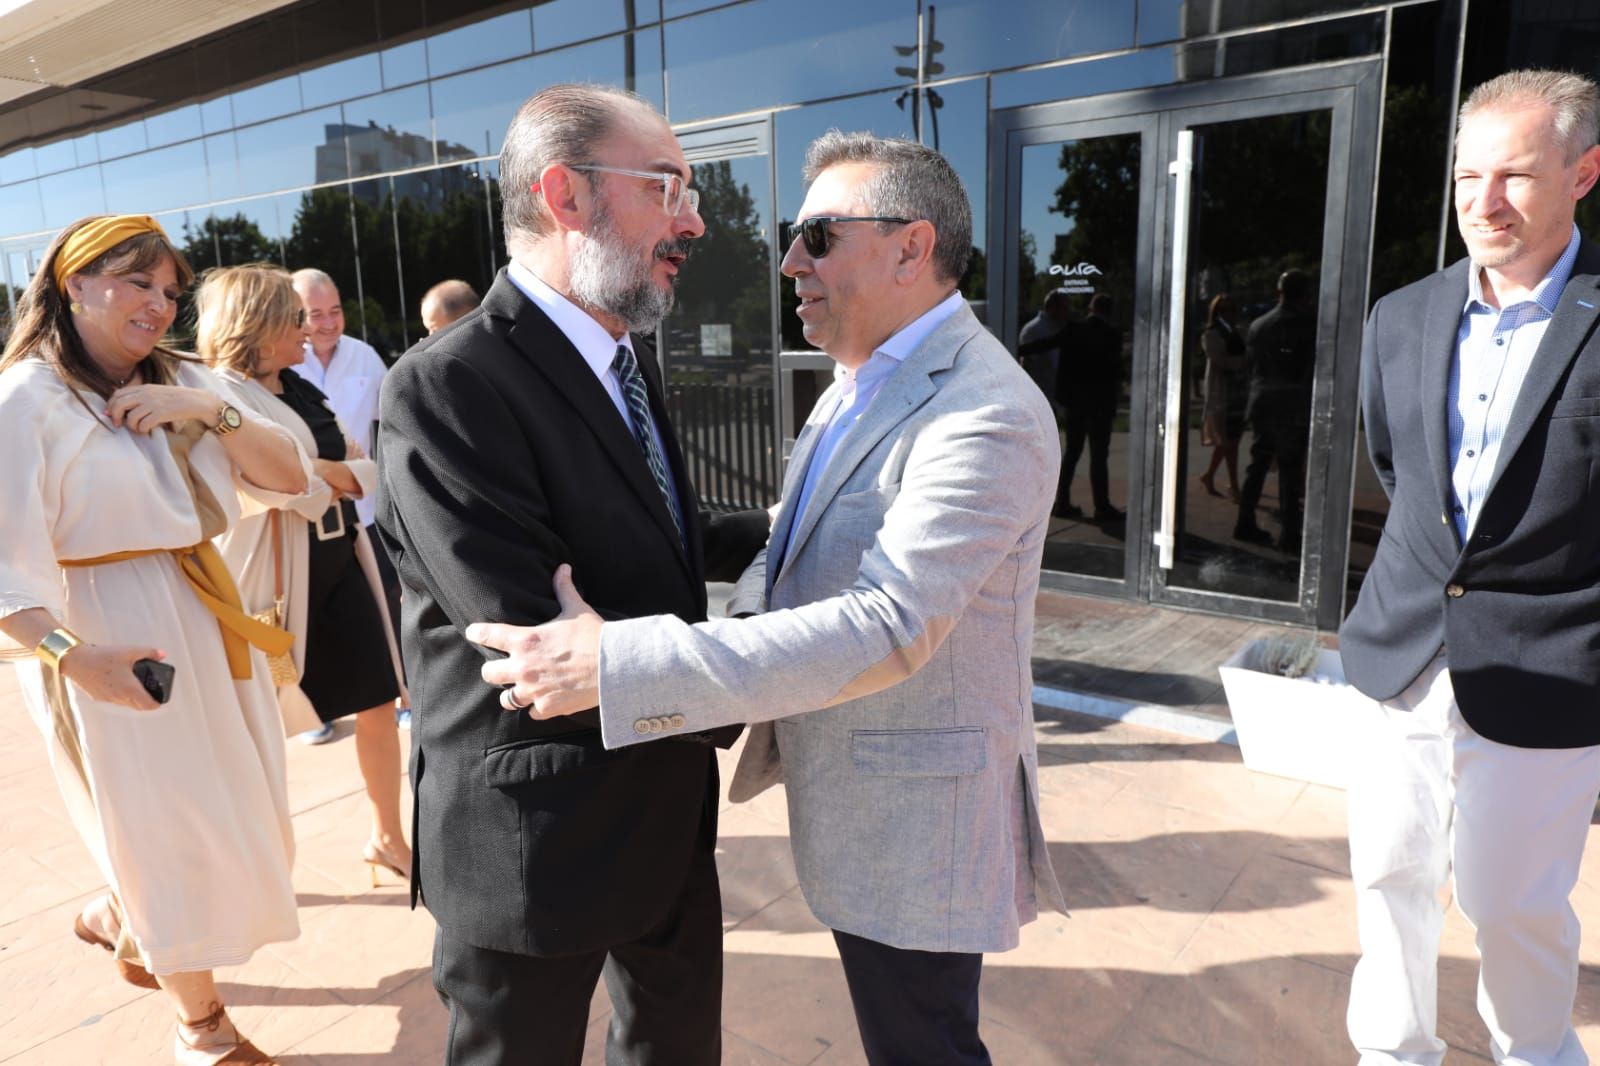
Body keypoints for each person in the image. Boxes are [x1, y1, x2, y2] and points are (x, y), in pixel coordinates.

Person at [470, 132, 1066, 1066]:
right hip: (869, 811)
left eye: (818, 236)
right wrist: (735, 626)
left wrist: (623, 664)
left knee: (926, 1048)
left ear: (912, 248)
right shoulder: (858, 383)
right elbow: (789, 543)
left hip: (922, 824)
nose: (789, 260)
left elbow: (891, 625)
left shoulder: (985, 411)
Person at [374, 84, 768, 1065]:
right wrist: (763, 674)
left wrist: (783, 528)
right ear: (565, 195)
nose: (696, 217)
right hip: (535, 840)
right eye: (668, 185)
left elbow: (649, 538)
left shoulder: (621, 359)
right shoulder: (445, 385)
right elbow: (532, 639)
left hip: (667, 814)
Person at [0, 216, 308, 1065]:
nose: (159, 304)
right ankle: (201, 1028)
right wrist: (74, 658)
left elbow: (293, 477)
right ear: (74, 285)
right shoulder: (26, 398)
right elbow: (1, 568)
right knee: (162, 832)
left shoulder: (184, 379)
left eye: (170, 290)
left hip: (204, 608)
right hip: (102, 632)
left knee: (242, 817)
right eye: (138, 283)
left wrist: (206, 410)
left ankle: (115, 915)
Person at [1339, 69, 1600, 1064]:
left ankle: (1534, 1053)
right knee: (1386, 875)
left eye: (1516, 177)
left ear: (1583, 172)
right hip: (1401, 648)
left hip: (1548, 665)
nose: (1483, 205)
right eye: (1465, 179)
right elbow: (1400, 469)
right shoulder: (1398, 316)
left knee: (1512, 905)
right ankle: (1393, 1051)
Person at [202, 264, 412, 887]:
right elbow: (275, 482)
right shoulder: (217, 394)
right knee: (259, 726)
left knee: (377, 698)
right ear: (258, 325)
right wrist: (318, 474)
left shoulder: (299, 388)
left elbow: (357, 465)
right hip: (271, 588)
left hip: (341, 562)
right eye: (294, 318)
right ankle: (250, 869)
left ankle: (387, 838)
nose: (309, 330)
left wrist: (319, 473)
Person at [289, 268, 399, 741]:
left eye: (335, 311)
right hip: (307, 518)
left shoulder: (364, 355)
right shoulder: (284, 362)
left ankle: (401, 694)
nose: (330, 322)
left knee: (387, 605)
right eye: (317, 314)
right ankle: (320, 712)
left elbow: (390, 426)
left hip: (368, 510)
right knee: (311, 618)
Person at [1233, 269, 1315, 549]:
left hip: (1263, 402)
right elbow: (1308, 369)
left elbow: (1252, 367)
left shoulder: (1259, 325)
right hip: (1291, 405)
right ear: (1303, 294)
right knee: (1289, 470)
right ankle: (1289, 533)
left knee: (1257, 465)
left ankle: (1244, 521)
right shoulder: (1307, 324)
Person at [1053, 291, 1123, 521]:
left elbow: (1059, 359)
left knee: (1072, 452)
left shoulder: (1075, 330)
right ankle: (1101, 506)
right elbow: (1114, 373)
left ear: (1091, 308)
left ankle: (1061, 501)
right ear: (1109, 311)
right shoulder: (1112, 335)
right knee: (1098, 456)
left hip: (1077, 403)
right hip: (1100, 405)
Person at [1197, 293, 1246, 501]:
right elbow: (1220, 360)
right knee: (1229, 442)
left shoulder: (1238, 332)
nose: (1228, 314)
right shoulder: (1211, 334)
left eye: (1231, 309)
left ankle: (1209, 475)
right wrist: (1242, 361)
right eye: (1223, 310)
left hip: (1239, 392)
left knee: (1229, 440)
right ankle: (1234, 485)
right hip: (1222, 393)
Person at [1015, 287, 1069, 401]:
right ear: (1053, 307)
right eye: (1064, 308)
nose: (1066, 312)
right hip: (1039, 397)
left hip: (1056, 398)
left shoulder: (1061, 328)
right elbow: (1027, 366)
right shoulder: (1032, 330)